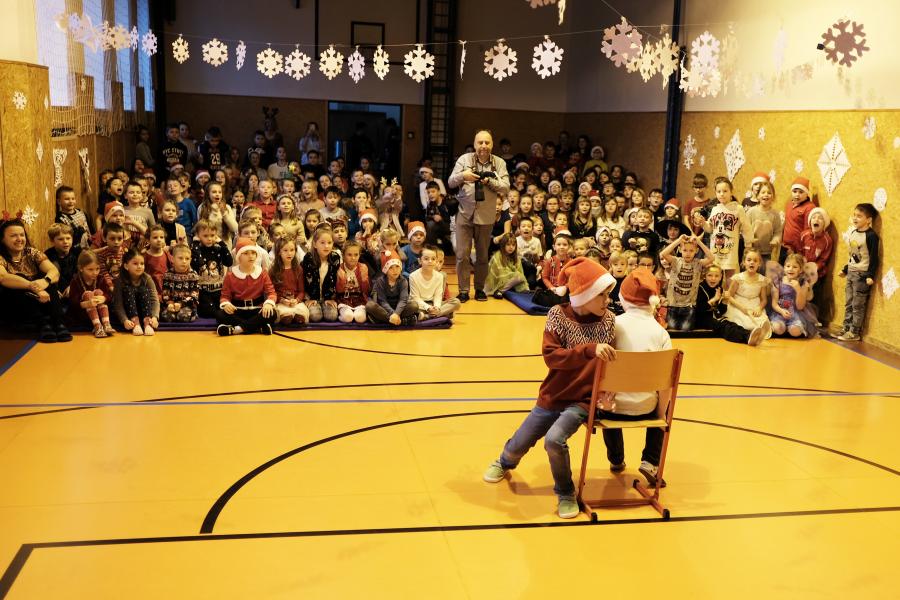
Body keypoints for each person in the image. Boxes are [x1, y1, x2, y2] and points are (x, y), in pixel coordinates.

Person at [483, 257, 617, 519]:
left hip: (583, 400)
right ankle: (504, 461)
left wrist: (607, 393)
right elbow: (552, 357)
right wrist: (588, 350)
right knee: (518, 445)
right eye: (601, 294)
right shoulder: (557, 315)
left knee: (554, 440)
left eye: (607, 294)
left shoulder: (609, 320)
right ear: (585, 294)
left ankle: (566, 493)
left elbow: (611, 365)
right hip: (553, 394)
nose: (607, 300)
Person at [600, 267, 672, 487]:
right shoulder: (661, 333)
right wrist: (660, 416)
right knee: (666, 402)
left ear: (623, 299)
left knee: (608, 392)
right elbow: (666, 384)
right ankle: (650, 462)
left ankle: (616, 459)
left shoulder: (612, 324)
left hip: (611, 410)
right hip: (646, 408)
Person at [447, 130, 511, 302]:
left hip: (486, 216)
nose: (483, 146)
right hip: (464, 213)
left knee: (482, 256)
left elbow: (506, 187)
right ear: (474, 144)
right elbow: (451, 182)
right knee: (462, 255)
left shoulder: (499, 163)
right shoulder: (464, 159)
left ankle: (480, 289)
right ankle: (463, 290)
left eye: (487, 143)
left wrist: (490, 181)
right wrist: (464, 176)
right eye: (480, 142)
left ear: (492, 145)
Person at [0, 218, 72, 342]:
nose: (19, 239)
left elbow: (54, 271)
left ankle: (58, 323)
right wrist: (34, 287)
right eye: (13, 236)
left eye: (22, 235)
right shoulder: (1, 256)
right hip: (13, 300)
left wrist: (45, 281)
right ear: (2, 239)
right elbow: (3, 278)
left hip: (39, 296)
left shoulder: (31, 252)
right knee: (20, 278)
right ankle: (43, 323)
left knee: (48, 280)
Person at [216, 237, 277, 336]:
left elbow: (271, 292)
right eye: (246, 253)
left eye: (253, 253)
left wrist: (268, 304)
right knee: (220, 315)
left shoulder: (262, 273)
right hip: (238, 310)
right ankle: (257, 327)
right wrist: (226, 304)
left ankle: (236, 329)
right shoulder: (230, 275)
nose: (251, 256)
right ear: (239, 257)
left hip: (256, 309)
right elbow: (225, 296)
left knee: (272, 313)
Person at [837, 203, 880, 341]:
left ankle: (854, 332)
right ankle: (846, 328)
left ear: (868, 220)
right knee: (848, 302)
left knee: (857, 305)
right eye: (854, 215)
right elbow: (853, 254)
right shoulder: (853, 233)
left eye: (859, 216)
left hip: (861, 275)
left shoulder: (871, 236)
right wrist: (846, 269)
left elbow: (874, 258)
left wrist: (870, 275)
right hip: (851, 272)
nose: (855, 218)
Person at [659, 234, 713, 331]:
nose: (688, 253)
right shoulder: (676, 261)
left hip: (689, 306)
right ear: (680, 250)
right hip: (673, 304)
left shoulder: (698, 263)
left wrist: (699, 242)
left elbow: (711, 258)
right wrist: (679, 240)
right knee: (672, 329)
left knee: (686, 329)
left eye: (691, 251)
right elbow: (663, 254)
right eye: (685, 250)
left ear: (696, 251)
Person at [721, 249, 771, 341]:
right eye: (749, 260)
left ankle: (761, 330)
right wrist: (742, 308)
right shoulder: (738, 278)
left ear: (759, 264)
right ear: (744, 262)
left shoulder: (761, 280)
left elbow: (764, 299)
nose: (752, 262)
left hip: (754, 305)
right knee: (746, 323)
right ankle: (752, 333)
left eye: (755, 261)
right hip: (739, 304)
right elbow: (729, 296)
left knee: (760, 320)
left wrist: (759, 308)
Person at [67, 250, 115, 337]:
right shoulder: (75, 281)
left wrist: (104, 298)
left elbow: (109, 295)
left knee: (99, 292)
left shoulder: (101, 279)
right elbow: (72, 302)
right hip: (82, 316)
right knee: (88, 294)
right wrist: (86, 304)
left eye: (97, 269)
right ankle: (97, 326)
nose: (95, 273)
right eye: (90, 269)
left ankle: (106, 324)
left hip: (101, 314)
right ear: (81, 268)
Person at [191, 220, 233, 318]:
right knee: (209, 312)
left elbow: (229, 262)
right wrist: (196, 244)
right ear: (198, 236)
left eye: (212, 235)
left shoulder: (218, 249)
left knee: (225, 309)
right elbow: (198, 263)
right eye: (205, 236)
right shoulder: (196, 250)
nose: (209, 239)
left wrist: (222, 244)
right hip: (203, 292)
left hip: (219, 290)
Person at [113, 248, 160, 336]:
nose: (139, 266)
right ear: (126, 266)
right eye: (135, 263)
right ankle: (136, 323)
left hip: (144, 311)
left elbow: (155, 300)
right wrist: (124, 320)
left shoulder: (147, 278)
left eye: (142, 264)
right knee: (128, 289)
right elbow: (118, 303)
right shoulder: (120, 280)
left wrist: (154, 317)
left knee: (143, 290)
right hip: (129, 313)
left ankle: (147, 323)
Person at [408, 245, 460, 320]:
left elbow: (438, 296)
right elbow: (415, 298)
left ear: (436, 261)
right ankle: (441, 314)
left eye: (433, 259)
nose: (430, 261)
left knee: (456, 302)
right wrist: (428, 308)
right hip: (420, 305)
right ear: (420, 261)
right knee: (412, 306)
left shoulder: (439, 276)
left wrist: (437, 307)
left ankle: (427, 316)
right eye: (426, 259)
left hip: (433, 304)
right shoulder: (413, 276)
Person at [366, 252, 418, 326]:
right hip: (384, 308)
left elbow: (403, 300)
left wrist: (396, 313)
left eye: (397, 267)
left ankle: (382, 320)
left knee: (414, 305)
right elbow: (382, 301)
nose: (395, 270)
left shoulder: (403, 281)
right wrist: (393, 314)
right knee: (370, 305)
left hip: (399, 307)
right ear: (386, 270)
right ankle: (401, 321)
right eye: (391, 268)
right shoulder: (380, 281)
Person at [301, 227, 341, 322]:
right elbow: (303, 279)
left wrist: (331, 298)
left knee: (332, 316)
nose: (326, 246)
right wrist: (307, 298)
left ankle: (324, 303)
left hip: (327, 297)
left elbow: (334, 280)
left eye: (329, 243)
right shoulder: (308, 258)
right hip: (311, 296)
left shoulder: (335, 258)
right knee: (315, 317)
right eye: (322, 243)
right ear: (315, 244)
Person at [769, 253, 811, 338]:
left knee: (795, 332)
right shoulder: (778, 281)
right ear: (784, 268)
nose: (790, 269)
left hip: (795, 314)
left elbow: (800, 307)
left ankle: (789, 328)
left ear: (800, 270)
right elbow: (774, 304)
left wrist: (798, 290)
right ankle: (781, 327)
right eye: (788, 266)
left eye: (795, 267)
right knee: (778, 328)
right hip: (779, 312)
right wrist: (781, 311)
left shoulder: (803, 283)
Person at [270, 237, 309, 325]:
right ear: (279, 252)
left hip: (295, 302)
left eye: (292, 250)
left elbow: (302, 291)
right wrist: (282, 300)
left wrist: (297, 300)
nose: (289, 253)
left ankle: (297, 316)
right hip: (281, 302)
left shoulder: (298, 269)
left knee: (301, 315)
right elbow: (272, 291)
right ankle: (286, 317)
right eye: (285, 250)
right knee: (285, 316)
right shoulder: (273, 270)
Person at [160, 244, 199, 323]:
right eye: (180, 258)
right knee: (167, 316)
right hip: (172, 305)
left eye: (187, 259)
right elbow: (165, 292)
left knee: (182, 316)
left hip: (187, 305)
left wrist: (181, 304)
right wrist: (170, 303)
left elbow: (194, 296)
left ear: (190, 260)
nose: (184, 261)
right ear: (173, 259)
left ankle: (193, 314)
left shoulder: (193, 275)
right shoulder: (168, 274)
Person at [484, 233, 528, 298]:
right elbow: (499, 274)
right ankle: (500, 291)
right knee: (518, 276)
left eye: (513, 245)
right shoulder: (498, 256)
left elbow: (520, 271)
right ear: (503, 245)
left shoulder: (516, 257)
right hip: (499, 281)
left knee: (520, 277)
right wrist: (513, 275)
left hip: (510, 279)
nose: (511, 247)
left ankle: (505, 289)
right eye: (508, 244)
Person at [336, 240, 371, 324]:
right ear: (343, 255)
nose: (353, 258)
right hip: (343, 299)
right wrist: (341, 279)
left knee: (360, 318)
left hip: (359, 299)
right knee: (348, 317)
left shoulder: (363, 267)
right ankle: (339, 316)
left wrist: (364, 280)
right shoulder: (339, 268)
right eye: (349, 255)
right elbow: (339, 291)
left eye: (356, 255)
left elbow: (366, 291)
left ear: (359, 255)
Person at [44, 223, 81, 299]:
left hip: (75, 289)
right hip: (56, 292)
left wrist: (72, 286)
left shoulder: (78, 253)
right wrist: (53, 290)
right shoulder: (47, 256)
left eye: (68, 238)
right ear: (52, 240)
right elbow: (45, 277)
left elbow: (81, 274)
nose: (65, 242)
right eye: (60, 239)